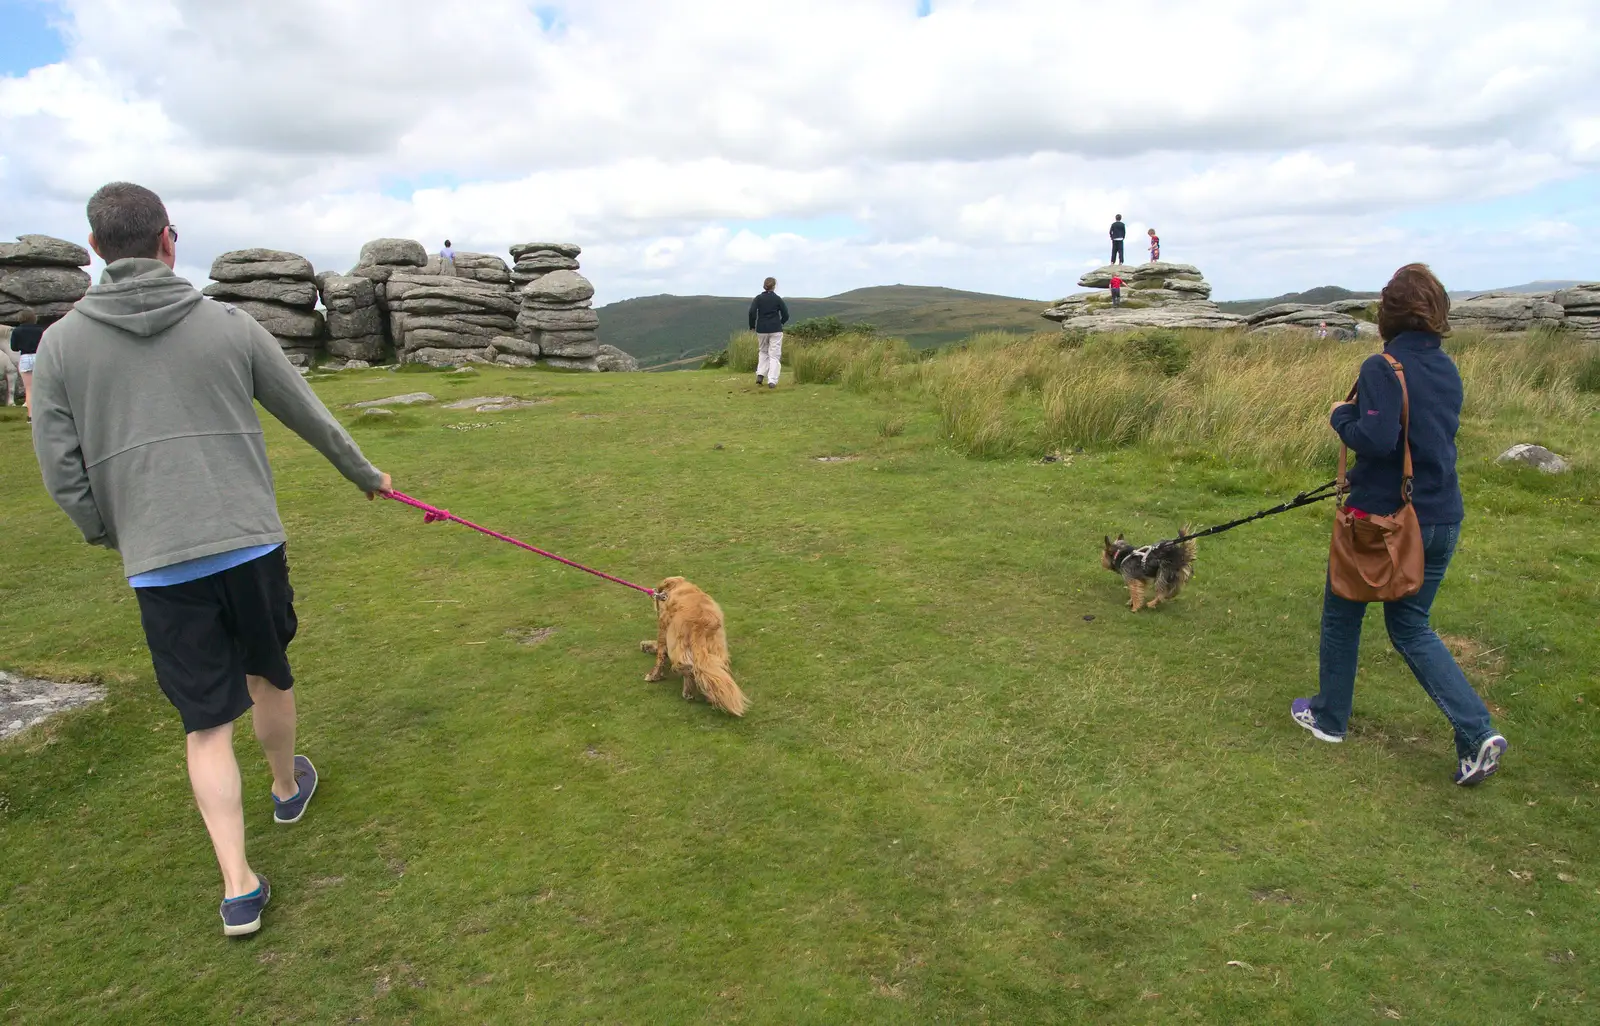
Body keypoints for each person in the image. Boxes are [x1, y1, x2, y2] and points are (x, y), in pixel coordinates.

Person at [30, 181, 395, 936]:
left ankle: (238, 884)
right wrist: (367, 477)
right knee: (268, 673)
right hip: (249, 541)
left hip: (159, 559)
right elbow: (309, 413)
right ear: (170, 238)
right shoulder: (229, 324)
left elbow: (60, 465)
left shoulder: (60, 344)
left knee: (205, 724)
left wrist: (109, 529)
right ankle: (287, 787)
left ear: (97, 249)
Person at [1291, 262, 1507, 786]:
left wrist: (1339, 416)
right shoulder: (1447, 367)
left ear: (1387, 314)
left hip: (1382, 524)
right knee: (1411, 626)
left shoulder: (1379, 366)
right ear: (1437, 313)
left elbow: (1378, 439)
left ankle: (1329, 718)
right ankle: (1476, 732)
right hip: (1441, 518)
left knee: (1342, 614)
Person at [748, 276, 789, 389]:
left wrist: (752, 326)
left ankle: (760, 375)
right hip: (775, 329)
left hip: (761, 329)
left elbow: (752, 312)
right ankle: (772, 380)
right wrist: (781, 322)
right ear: (774, 286)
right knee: (774, 355)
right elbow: (786, 314)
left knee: (763, 352)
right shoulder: (777, 299)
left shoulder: (758, 298)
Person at [10, 310, 45, 420]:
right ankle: (42, 414)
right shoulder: (40, 330)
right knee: (41, 387)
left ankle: (31, 416)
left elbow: (14, 348)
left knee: (29, 389)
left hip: (25, 358)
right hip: (38, 357)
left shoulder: (17, 331)